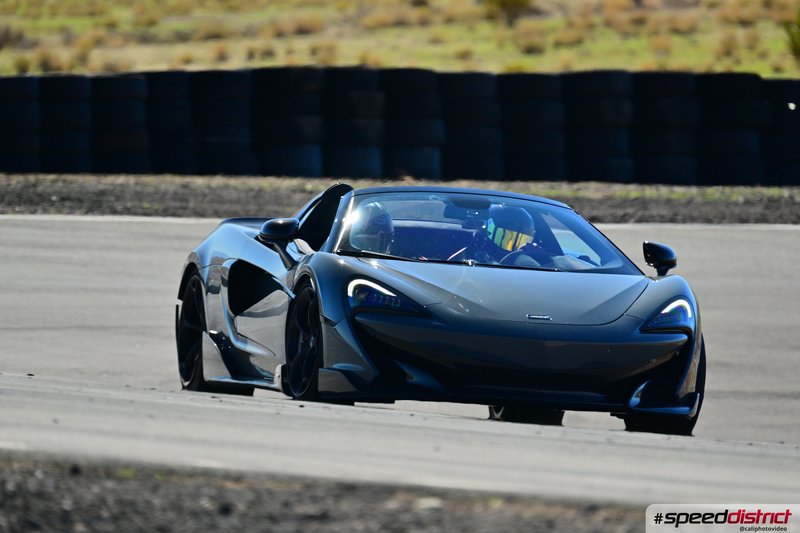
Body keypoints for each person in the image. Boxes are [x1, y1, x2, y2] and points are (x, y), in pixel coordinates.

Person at [449, 204, 536, 263]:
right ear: (488, 232)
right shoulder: (465, 260)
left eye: (524, 240)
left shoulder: (535, 256)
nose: (517, 247)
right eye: (507, 237)